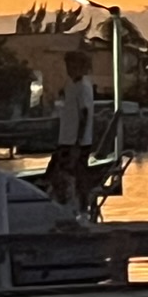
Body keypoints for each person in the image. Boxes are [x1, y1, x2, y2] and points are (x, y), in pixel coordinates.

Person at [50, 50, 96, 217]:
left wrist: (78, 142)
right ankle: (68, 208)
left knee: (74, 175)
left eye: (72, 64)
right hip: (67, 139)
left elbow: (84, 115)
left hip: (75, 142)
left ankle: (81, 210)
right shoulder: (72, 85)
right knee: (63, 175)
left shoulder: (82, 86)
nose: (69, 68)